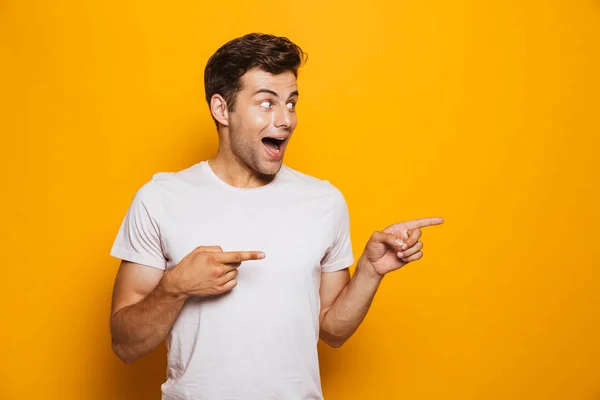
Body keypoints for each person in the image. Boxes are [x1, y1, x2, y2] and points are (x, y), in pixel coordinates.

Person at [109, 32, 444, 400]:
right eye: (267, 103)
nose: (285, 120)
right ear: (222, 109)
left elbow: (332, 331)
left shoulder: (324, 201)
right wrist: (176, 287)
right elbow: (125, 345)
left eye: (291, 102)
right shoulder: (160, 199)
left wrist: (370, 270)